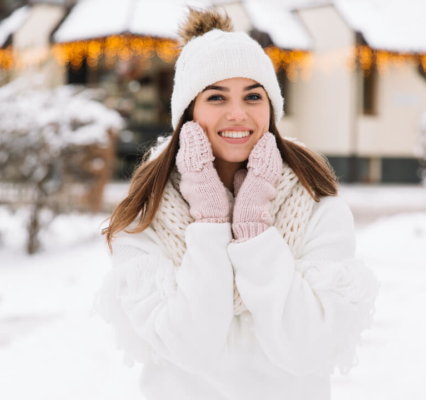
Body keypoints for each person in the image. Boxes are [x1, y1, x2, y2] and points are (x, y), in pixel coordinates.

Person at [96, 7, 380, 400]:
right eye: (216, 96)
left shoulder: (318, 208)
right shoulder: (147, 217)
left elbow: (305, 349)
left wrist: (253, 231)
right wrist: (211, 221)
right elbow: (192, 348)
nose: (238, 113)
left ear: (271, 110)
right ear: (188, 113)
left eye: (252, 96)